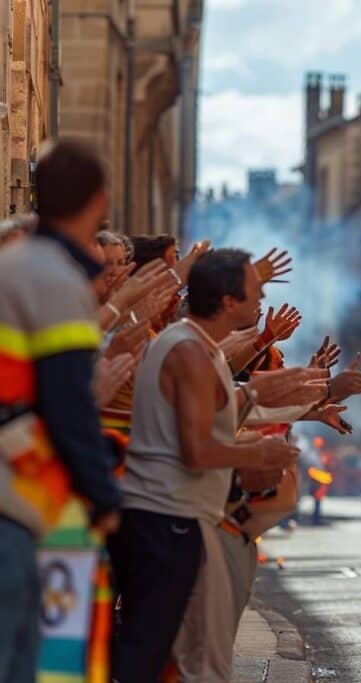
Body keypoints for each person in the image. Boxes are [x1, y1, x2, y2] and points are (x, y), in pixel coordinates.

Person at [107, 248, 324, 682]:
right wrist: (256, 454)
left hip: (177, 517)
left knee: (178, 654)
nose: (262, 298)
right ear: (228, 301)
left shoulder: (197, 348)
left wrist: (278, 393)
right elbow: (197, 449)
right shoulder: (186, 350)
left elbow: (225, 407)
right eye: (254, 290)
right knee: (179, 654)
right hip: (169, 520)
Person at [0, 139, 122, 682]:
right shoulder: (52, 279)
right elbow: (68, 400)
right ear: (99, 202)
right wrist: (102, 494)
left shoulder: (15, 264)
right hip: (13, 497)